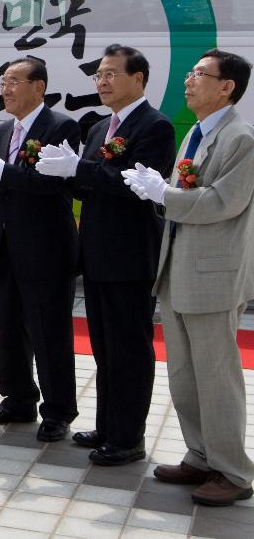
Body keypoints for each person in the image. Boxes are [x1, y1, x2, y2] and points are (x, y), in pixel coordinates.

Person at [123, 49, 254, 506]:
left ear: (227, 87)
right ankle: (200, 456)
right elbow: (186, 194)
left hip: (213, 274)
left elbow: (223, 203)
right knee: (183, 376)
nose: (189, 80)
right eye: (191, 72)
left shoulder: (241, 138)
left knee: (217, 378)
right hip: (177, 268)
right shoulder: (196, 133)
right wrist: (161, 194)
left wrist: (166, 196)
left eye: (200, 74)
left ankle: (234, 471)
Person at [35, 45, 174, 466]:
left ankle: (128, 437)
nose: (103, 82)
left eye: (112, 74)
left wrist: (78, 170)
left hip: (130, 256)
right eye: (99, 75)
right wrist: (62, 173)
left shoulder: (156, 127)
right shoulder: (98, 129)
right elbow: (89, 187)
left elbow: (132, 185)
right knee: (103, 346)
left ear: (139, 79)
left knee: (130, 348)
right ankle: (108, 424)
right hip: (95, 254)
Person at [0, 57, 80, 441]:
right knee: (9, 328)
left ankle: (58, 410)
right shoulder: (1, 133)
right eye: (2, 83)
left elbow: (49, 184)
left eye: (13, 82)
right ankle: (18, 398)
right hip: (5, 247)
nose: (5, 90)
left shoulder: (61, 126)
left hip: (46, 249)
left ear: (38, 87)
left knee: (49, 333)